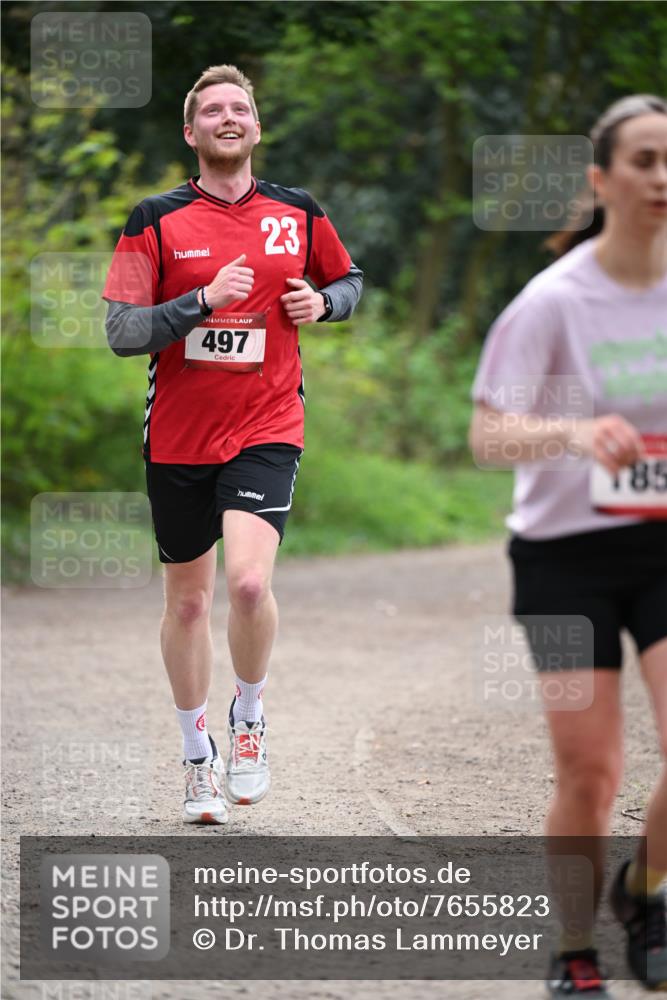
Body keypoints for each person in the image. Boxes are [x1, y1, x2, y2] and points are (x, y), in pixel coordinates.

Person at [102, 64, 363, 825]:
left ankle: (247, 720)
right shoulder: (154, 219)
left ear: (255, 127)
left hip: (266, 425)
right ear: (191, 132)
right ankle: (195, 759)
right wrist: (196, 304)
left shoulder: (297, 211)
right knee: (187, 605)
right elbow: (121, 331)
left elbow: (349, 281)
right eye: (211, 109)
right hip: (180, 435)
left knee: (248, 585)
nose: (227, 117)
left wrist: (325, 301)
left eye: (239, 108)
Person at [469, 94, 667, 996]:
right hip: (560, 560)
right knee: (590, 770)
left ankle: (646, 889)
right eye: (643, 160)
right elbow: (485, 437)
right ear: (601, 179)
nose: (660, 178)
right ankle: (573, 945)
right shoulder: (551, 301)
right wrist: (574, 433)